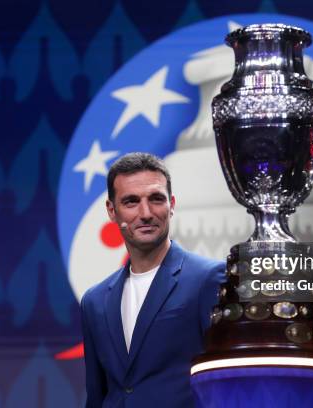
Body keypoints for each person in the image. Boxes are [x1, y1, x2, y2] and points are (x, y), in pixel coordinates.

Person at [80, 152, 225, 407]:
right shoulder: (94, 301)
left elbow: (223, 380)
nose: (145, 213)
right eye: (131, 201)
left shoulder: (208, 279)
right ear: (112, 211)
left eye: (156, 199)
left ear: (172, 204)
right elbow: (97, 394)